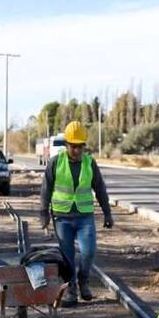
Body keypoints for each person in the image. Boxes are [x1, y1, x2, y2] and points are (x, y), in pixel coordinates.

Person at [38, 120, 113, 306]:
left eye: (80, 147)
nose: (77, 150)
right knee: (67, 256)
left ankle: (83, 280)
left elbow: (100, 189)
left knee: (88, 252)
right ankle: (71, 290)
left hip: (84, 216)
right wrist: (44, 214)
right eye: (73, 146)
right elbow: (46, 189)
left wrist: (107, 213)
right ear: (66, 145)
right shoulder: (56, 162)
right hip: (62, 217)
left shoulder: (90, 163)